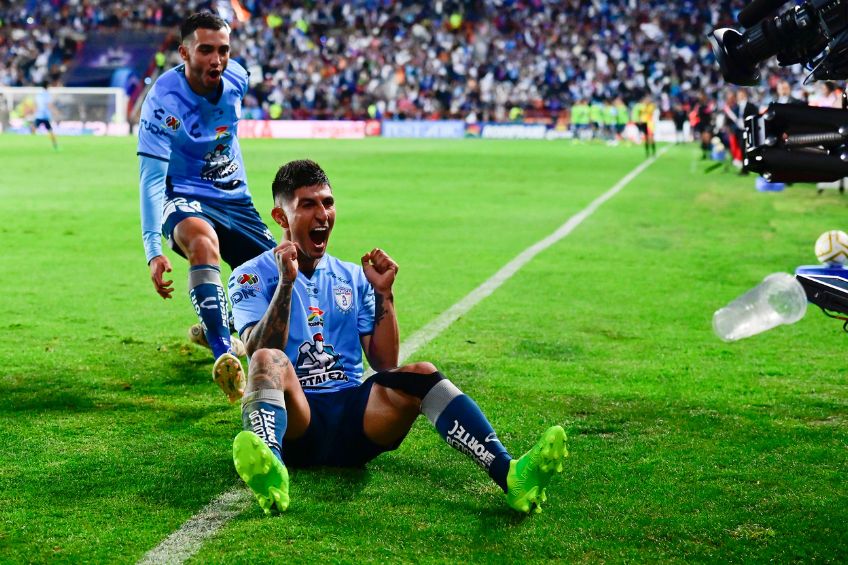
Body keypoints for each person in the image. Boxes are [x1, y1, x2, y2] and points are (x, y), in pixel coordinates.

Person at [228, 159, 568, 515]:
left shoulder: (351, 275)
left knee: (421, 372)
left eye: (327, 202)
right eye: (307, 205)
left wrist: (383, 294)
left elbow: (385, 363)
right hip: (295, 421)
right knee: (269, 360)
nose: (322, 215)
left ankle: (510, 474)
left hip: (353, 420)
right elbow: (260, 351)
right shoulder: (250, 275)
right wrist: (286, 283)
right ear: (281, 218)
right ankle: (271, 467)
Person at [136, 12, 276, 402]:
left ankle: (222, 324)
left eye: (224, 50)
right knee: (203, 243)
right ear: (184, 52)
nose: (217, 59)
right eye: (206, 50)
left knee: (282, 276)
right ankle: (225, 357)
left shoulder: (238, 79)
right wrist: (153, 250)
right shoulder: (163, 101)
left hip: (234, 196)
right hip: (181, 192)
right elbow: (150, 178)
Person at [30, 81, 59, 150]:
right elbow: (49, 105)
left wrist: (34, 111)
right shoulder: (47, 94)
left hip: (39, 115)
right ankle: (55, 146)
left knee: (34, 129)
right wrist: (55, 111)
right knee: (50, 131)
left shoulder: (39, 94)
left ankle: (29, 139)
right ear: (47, 86)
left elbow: (36, 104)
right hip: (45, 116)